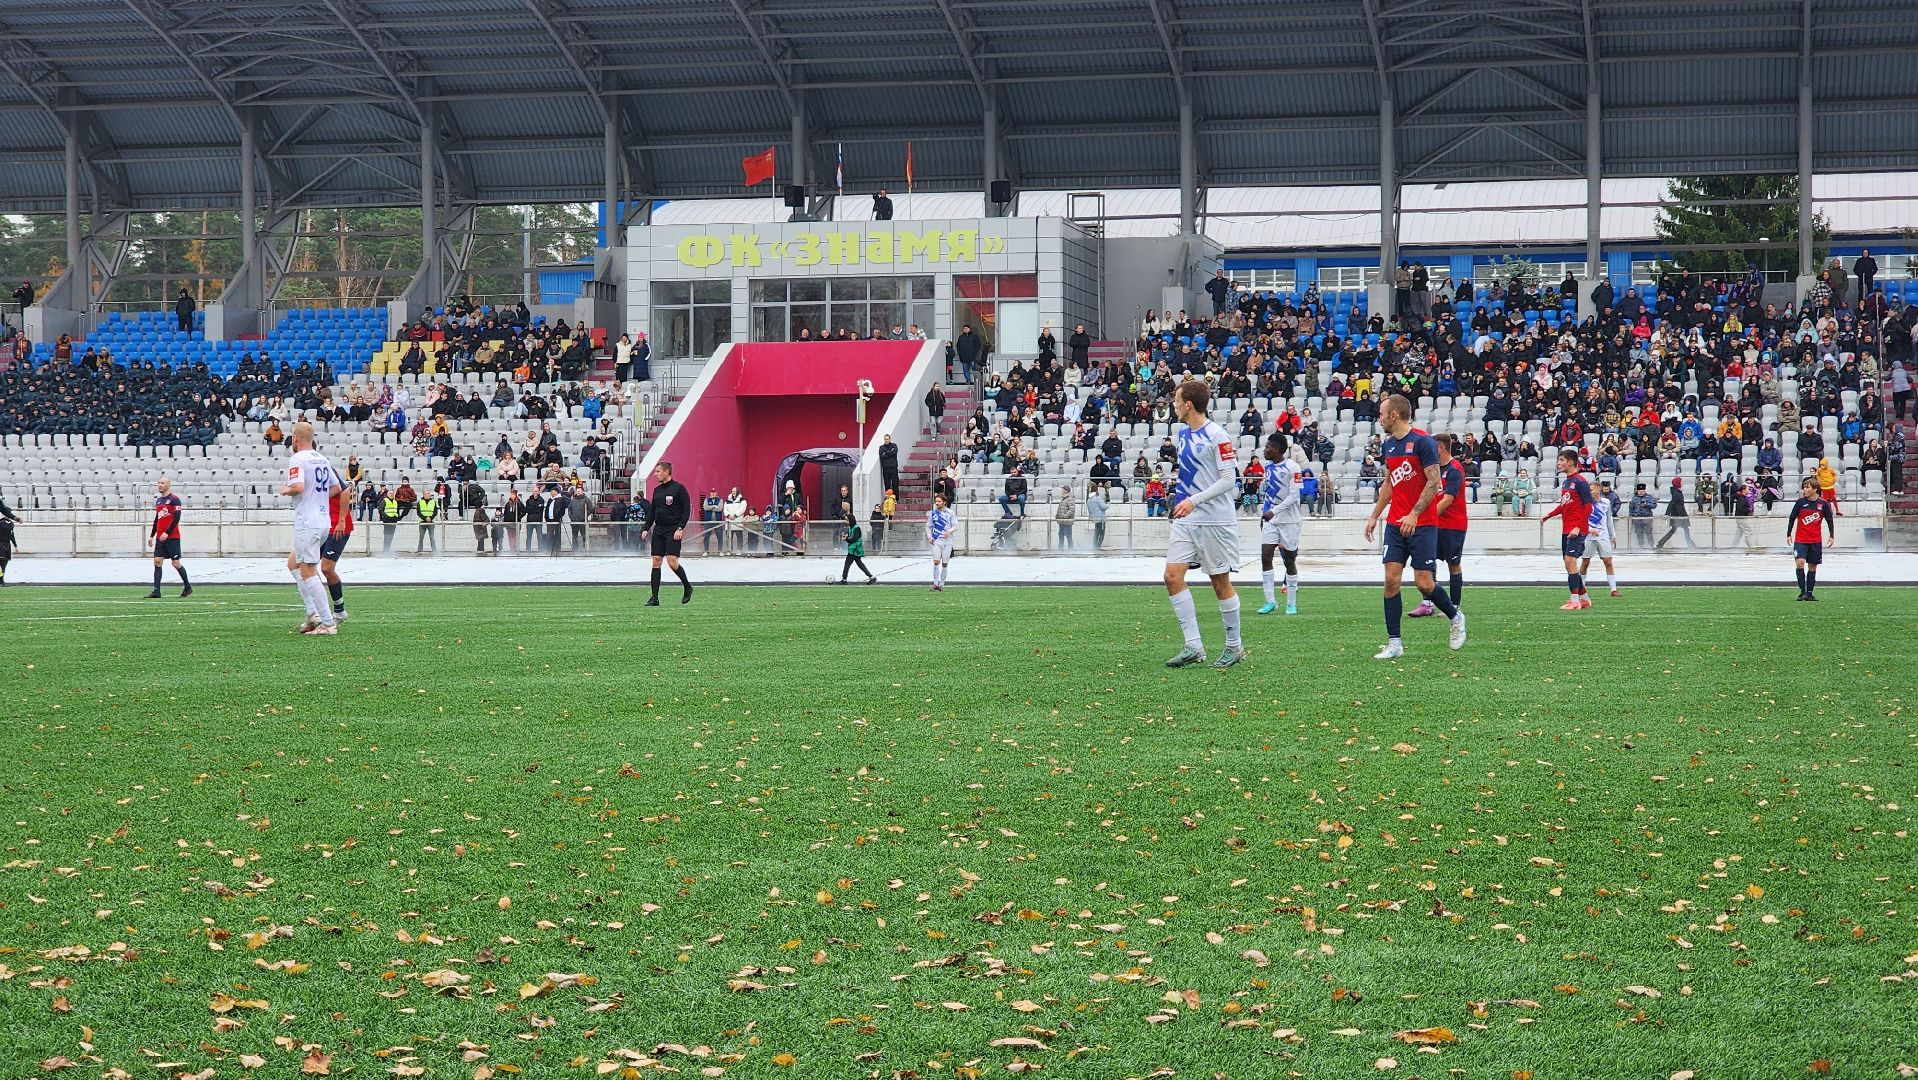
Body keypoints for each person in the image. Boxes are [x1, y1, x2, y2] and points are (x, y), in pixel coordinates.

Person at [1363, 394, 1466, 659]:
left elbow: (1434, 484)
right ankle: (1394, 643)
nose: (1380, 418)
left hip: (1422, 524)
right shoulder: (1388, 445)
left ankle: (1455, 617)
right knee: (1390, 580)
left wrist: (1414, 514)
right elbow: (1389, 483)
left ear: (1394, 415)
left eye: (1382, 414)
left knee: (1424, 584)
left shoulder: (1423, 442)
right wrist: (1375, 515)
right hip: (1396, 523)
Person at [1161, 379, 1248, 670]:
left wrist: (1194, 500)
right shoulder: (1183, 434)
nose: (1173, 404)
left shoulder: (1217, 435)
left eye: (1176, 399)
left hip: (1214, 520)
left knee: (1219, 582)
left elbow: (1228, 480)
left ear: (1188, 404)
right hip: (1187, 517)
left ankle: (1235, 647)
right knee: (1172, 576)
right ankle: (1193, 646)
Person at [279, 421, 342, 635]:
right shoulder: (322, 459)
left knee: (307, 570)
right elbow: (337, 487)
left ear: (296, 438)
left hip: (308, 520)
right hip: (323, 519)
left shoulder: (297, 459)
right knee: (293, 563)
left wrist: (285, 490)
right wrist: (318, 498)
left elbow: (298, 487)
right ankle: (312, 613)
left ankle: (327, 622)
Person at [1412, 433, 1468, 617]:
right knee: (1427, 563)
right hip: (1435, 525)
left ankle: (1454, 605)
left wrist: (1425, 517)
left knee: (1454, 564)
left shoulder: (1454, 469)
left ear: (1440, 448)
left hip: (1453, 526)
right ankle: (1427, 603)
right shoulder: (1433, 470)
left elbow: (1448, 500)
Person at [1250, 433, 1300, 616]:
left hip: (1289, 520)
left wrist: (1274, 511)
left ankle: (1291, 603)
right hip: (1271, 520)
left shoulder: (1293, 468)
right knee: (1265, 556)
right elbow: (1270, 494)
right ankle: (1270, 601)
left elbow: (1294, 496)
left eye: (1268, 447)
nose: (1264, 450)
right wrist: (1264, 514)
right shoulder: (1268, 468)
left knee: (1289, 560)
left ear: (1277, 449)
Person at [1541, 449, 1595, 610]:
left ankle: (1575, 601)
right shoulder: (1565, 482)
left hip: (1576, 529)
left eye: (1561, 460)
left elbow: (1588, 507)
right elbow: (1564, 505)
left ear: (1570, 462)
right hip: (1567, 528)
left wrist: (1578, 527)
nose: (1559, 463)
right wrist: (1548, 515)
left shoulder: (1580, 482)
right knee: (1569, 563)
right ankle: (1584, 599)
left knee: (1570, 561)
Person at [643, 461, 693, 606]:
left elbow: (686, 510)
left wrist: (680, 528)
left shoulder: (679, 489)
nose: (655, 474)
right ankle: (654, 598)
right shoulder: (657, 490)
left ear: (666, 472)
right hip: (659, 529)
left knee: (672, 562)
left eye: (658, 471)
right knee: (656, 561)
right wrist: (646, 528)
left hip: (673, 530)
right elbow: (653, 511)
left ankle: (687, 587)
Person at [1788, 477, 1836, 601]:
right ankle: (1802, 591)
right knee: (1800, 563)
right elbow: (1792, 518)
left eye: (1807, 487)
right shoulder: (1800, 503)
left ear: (1815, 489)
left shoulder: (1823, 504)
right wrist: (1788, 534)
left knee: (1812, 566)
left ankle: (1809, 593)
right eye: (1804, 487)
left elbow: (1829, 520)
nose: (1805, 489)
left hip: (1815, 540)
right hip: (1801, 540)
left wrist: (1831, 536)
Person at [146, 476, 192, 598]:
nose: (160, 485)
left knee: (176, 563)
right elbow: (157, 519)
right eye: (158, 483)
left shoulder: (174, 500)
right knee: (157, 561)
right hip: (160, 537)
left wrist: (167, 532)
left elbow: (176, 518)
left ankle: (187, 587)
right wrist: (152, 535)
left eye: (162, 483)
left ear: (168, 485)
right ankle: (156, 591)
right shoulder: (159, 501)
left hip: (172, 537)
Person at [320, 471, 354, 622]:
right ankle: (315, 613)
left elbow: (345, 490)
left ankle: (339, 611)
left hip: (336, 527)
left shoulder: (325, 469)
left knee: (326, 568)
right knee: (303, 566)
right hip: (319, 526)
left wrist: (341, 521)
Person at [1580, 478, 1622, 598]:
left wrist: (1612, 535)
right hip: (1588, 536)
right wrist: (1589, 529)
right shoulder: (1585, 503)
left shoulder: (1606, 502)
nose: (1590, 492)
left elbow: (1609, 519)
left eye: (1592, 490)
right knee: (1585, 561)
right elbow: (1581, 519)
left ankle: (1613, 589)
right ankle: (1581, 587)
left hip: (1603, 535)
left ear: (1598, 490)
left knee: (1608, 561)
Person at [927, 492, 956, 591]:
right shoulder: (933, 513)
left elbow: (955, 526)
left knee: (945, 563)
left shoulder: (950, 513)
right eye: (936, 501)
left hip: (948, 542)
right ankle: (935, 583)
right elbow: (928, 526)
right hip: (937, 541)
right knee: (936, 562)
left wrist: (949, 531)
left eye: (939, 501)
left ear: (944, 502)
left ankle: (942, 584)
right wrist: (929, 536)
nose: (937, 503)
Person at [838, 511, 877, 584]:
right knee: (859, 564)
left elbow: (854, 539)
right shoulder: (851, 528)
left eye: (847, 520)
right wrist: (847, 537)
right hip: (853, 549)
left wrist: (846, 539)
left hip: (855, 549)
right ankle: (871, 577)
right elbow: (851, 538)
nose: (846, 521)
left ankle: (844, 579)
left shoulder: (856, 528)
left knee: (848, 564)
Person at [1657, 476, 1695, 548]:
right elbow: (1671, 503)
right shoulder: (1677, 493)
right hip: (1679, 516)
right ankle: (1692, 546)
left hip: (1679, 515)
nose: (1682, 482)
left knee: (1675, 531)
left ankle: (1661, 543)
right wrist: (1667, 514)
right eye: (1681, 481)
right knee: (1685, 532)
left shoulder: (1677, 492)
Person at [1628, 482, 1657, 549]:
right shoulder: (1634, 498)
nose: (1641, 492)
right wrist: (1631, 518)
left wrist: (1647, 504)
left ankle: (1651, 545)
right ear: (1637, 491)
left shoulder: (1649, 497)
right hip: (1637, 519)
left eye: (1643, 491)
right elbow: (1631, 508)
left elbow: (1654, 505)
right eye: (1640, 491)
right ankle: (1641, 546)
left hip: (1647, 518)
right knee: (1639, 533)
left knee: (1649, 533)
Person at [378, 485, 402, 553]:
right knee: (387, 535)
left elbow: (397, 510)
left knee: (391, 535)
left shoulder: (395, 502)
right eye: (390, 493)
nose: (391, 495)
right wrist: (386, 516)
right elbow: (381, 510)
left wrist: (397, 517)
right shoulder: (384, 501)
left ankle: (388, 549)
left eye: (392, 493)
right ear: (387, 494)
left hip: (394, 520)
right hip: (387, 520)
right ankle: (385, 550)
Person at [415, 488, 439, 553]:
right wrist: (425, 518)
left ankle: (434, 550)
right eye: (427, 493)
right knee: (421, 537)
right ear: (424, 494)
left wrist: (430, 518)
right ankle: (420, 550)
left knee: (432, 537)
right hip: (422, 522)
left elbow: (435, 512)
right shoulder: (420, 502)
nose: (429, 495)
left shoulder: (433, 501)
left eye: (429, 493)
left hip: (431, 522)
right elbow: (418, 512)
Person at [878, 434, 900, 498]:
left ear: (890, 439)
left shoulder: (894, 445)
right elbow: (882, 456)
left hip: (893, 468)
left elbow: (894, 452)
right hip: (885, 469)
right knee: (887, 484)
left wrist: (886, 452)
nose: (886, 440)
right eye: (885, 439)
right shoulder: (881, 447)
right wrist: (890, 452)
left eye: (887, 439)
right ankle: (888, 498)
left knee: (895, 484)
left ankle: (896, 498)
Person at [1086, 485, 1107, 549]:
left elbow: (1090, 510)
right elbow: (1104, 507)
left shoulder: (1089, 499)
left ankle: (1094, 546)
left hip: (1094, 518)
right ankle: (1098, 547)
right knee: (1101, 534)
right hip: (1100, 518)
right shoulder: (1097, 498)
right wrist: (1108, 504)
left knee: (1096, 533)